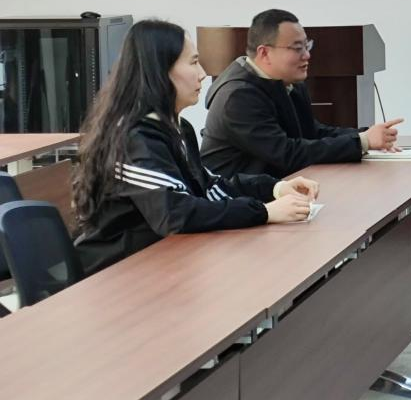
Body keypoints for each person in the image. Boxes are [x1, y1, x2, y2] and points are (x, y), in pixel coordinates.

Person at [75, 20, 315, 277]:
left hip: (162, 262)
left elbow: (209, 188)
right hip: (117, 273)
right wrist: (264, 212)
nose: (202, 73)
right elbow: (176, 214)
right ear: (161, 71)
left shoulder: (178, 128)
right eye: (193, 63)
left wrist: (274, 189)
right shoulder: (133, 137)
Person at [201, 9, 403, 178]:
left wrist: (364, 135)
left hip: (276, 192)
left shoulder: (288, 84)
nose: (307, 55)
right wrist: (363, 142)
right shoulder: (238, 97)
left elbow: (312, 133)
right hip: (235, 200)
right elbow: (286, 154)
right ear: (264, 53)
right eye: (297, 48)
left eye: (307, 46)